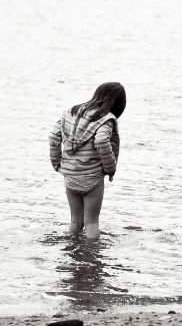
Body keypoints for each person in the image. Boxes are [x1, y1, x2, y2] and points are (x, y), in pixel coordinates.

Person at [49, 82, 126, 240]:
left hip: (70, 175)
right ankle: (91, 259)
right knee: (91, 223)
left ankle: (72, 252)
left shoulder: (71, 112)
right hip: (92, 177)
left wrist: (57, 163)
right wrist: (110, 168)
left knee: (75, 222)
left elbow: (54, 136)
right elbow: (101, 141)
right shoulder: (106, 119)